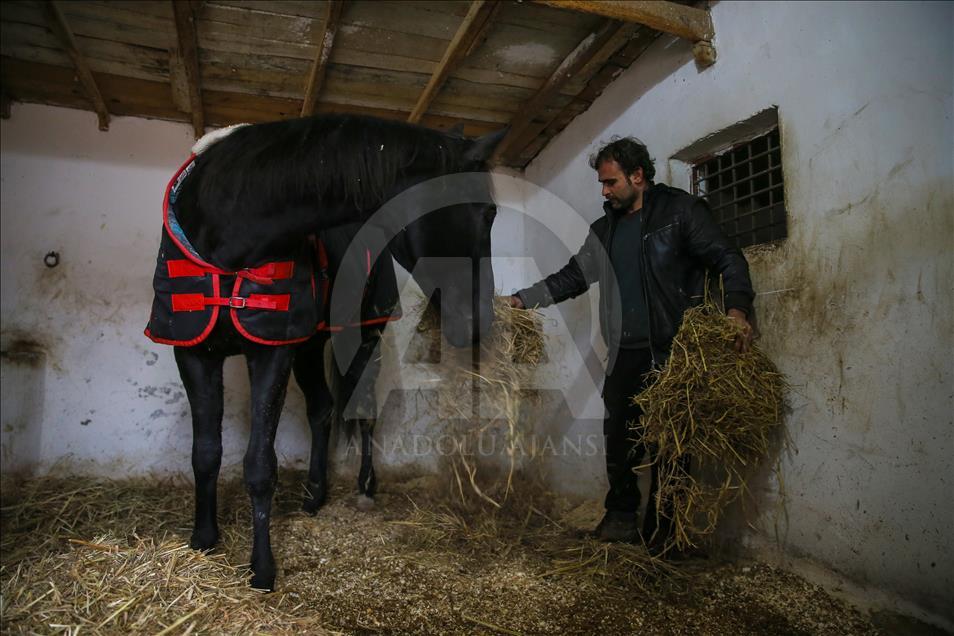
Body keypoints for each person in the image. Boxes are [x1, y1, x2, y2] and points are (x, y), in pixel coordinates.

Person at [508, 137, 756, 550]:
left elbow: (728, 257)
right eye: (602, 184)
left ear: (637, 176)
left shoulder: (680, 213)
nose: (604, 192)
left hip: (674, 351)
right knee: (619, 436)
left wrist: (737, 312)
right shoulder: (604, 231)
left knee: (672, 444)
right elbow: (573, 277)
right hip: (625, 352)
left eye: (610, 182)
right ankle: (621, 516)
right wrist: (521, 299)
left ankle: (665, 531)